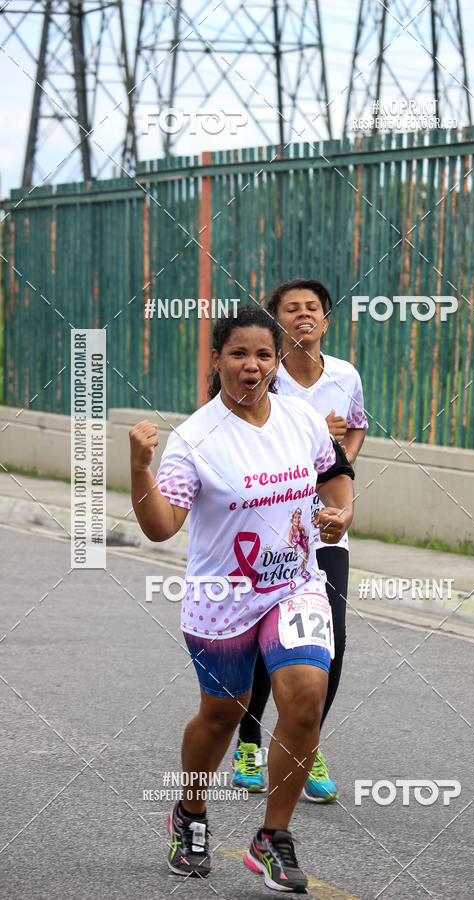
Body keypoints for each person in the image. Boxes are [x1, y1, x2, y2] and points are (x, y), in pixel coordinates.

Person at [129, 305, 354, 892]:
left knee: (305, 699)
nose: (251, 366)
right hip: (221, 597)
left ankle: (272, 837)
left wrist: (340, 512)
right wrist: (139, 469)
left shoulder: (300, 418)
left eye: (263, 354)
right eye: (238, 354)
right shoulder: (195, 438)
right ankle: (191, 814)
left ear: (277, 361)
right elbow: (161, 526)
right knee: (222, 715)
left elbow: (334, 471)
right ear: (217, 359)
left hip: (296, 584)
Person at [233, 278, 367, 803]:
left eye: (313, 308)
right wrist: (311, 437)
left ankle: (303, 746)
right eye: (292, 308)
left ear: (326, 321)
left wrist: (339, 464)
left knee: (331, 641)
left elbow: (357, 426)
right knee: (268, 641)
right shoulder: (264, 376)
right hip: (273, 527)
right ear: (276, 321)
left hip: (326, 527)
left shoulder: (346, 375)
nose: (304, 315)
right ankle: (248, 742)